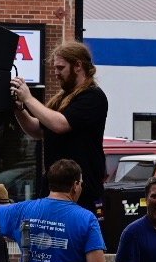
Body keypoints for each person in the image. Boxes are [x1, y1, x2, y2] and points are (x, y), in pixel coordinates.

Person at [11, 41, 108, 213]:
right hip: (54, 187)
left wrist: (28, 98)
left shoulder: (93, 97)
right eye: (55, 67)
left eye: (61, 67)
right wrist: (18, 108)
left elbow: (60, 124)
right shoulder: (61, 99)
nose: (56, 73)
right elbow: (37, 130)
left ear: (78, 66)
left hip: (79, 192)